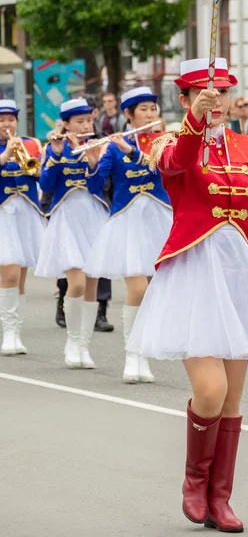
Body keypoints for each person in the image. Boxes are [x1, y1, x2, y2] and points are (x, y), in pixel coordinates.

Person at [125, 57, 248, 532]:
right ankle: (194, 481)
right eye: (206, 93)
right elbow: (177, 164)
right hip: (193, 272)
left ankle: (220, 498)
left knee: (233, 400)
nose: (219, 100)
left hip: (239, 275)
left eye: (225, 92)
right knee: (210, 391)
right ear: (185, 99)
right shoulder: (166, 142)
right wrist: (193, 123)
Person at [84, 87, 173, 383]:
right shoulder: (112, 145)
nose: (150, 114)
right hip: (128, 222)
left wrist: (132, 151)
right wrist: (95, 161)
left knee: (152, 293)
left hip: (159, 219)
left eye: (152, 108)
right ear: (128, 115)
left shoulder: (164, 141)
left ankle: (142, 356)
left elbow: (161, 170)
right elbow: (97, 187)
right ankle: (132, 355)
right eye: (143, 109)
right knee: (138, 289)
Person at [35, 98, 109, 369]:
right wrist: (54, 155)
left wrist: (92, 163)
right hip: (66, 216)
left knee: (92, 283)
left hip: (93, 215)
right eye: (79, 122)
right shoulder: (54, 147)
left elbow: (101, 185)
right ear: (65, 124)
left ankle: (84, 346)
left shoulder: (99, 146)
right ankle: (72, 340)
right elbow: (45, 184)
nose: (86, 125)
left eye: (88, 120)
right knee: (76, 282)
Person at [0, 99, 45, 356]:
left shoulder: (30, 144)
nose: (7, 124)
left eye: (11, 119)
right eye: (2, 120)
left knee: (22, 274)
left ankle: (16, 332)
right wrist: (6, 153)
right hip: (2, 211)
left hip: (25, 210)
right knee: (10, 272)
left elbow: (40, 173)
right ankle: (7, 333)